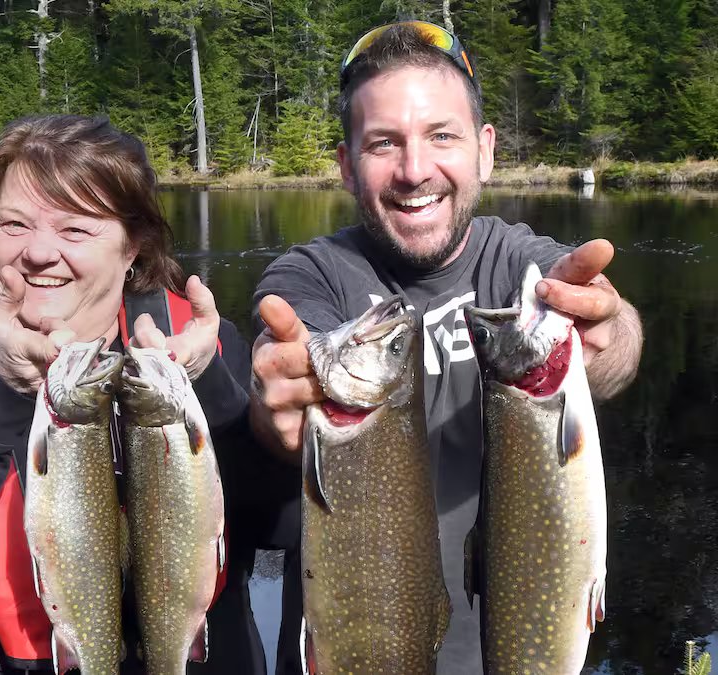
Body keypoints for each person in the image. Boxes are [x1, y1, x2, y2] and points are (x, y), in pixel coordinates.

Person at [249, 22, 644, 674]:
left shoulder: (519, 261)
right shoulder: (310, 274)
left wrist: (607, 334)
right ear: (346, 165)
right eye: (383, 142)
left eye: (442, 135)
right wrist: (280, 404)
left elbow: (616, 336)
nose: (414, 170)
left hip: (521, 645)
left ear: (484, 151)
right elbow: (286, 362)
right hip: (355, 647)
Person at [0, 114, 294, 675]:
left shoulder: (204, 350)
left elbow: (282, 527)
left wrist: (209, 391)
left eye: (75, 230)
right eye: (14, 224)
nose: (38, 253)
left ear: (132, 246)